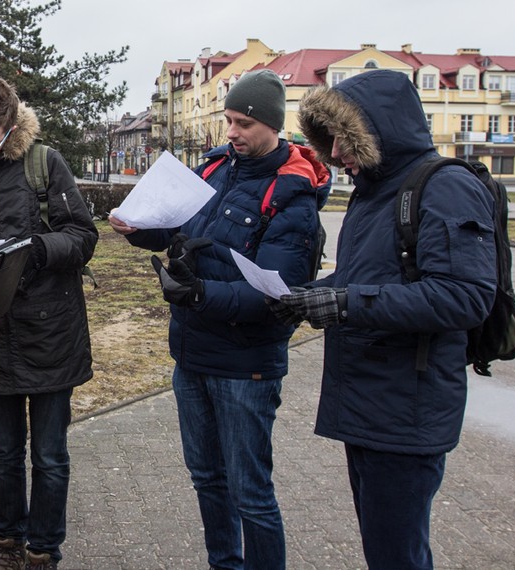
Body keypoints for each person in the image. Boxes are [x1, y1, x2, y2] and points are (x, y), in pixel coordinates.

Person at [272, 69, 497, 569]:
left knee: (397, 554)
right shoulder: (374, 193)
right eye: (326, 140)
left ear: (376, 132)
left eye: (340, 139)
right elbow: (364, 277)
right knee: (386, 547)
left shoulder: (445, 187)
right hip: (371, 400)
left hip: (407, 407)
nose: (333, 154)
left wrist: (348, 303)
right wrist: (305, 295)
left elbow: (464, 296)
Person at [109, 69, 331, 570]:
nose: (230, 132)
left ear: (271, 125)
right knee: (206, 479)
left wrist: (200, 292)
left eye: (242, 123)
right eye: (228, 120)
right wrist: (135, 228)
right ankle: (224, 563)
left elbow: (278, 292)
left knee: (250, 492)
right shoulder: (213, 171)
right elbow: (174, 231)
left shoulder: (292, 196)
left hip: (246, 366)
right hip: (191, 354)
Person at [0, 74, 98, 570]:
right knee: (4, 452)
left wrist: (33, 250)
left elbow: (83, 236)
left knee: (49, 456)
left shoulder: (43, 163)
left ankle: (44, 548)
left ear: (10, 130)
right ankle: (8, 543)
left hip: (50, 332)